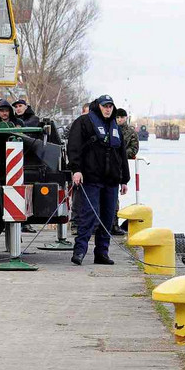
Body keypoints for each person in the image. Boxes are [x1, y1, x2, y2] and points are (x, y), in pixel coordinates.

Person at [65, 95, 126, 266]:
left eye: (110, 107)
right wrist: (76, 169)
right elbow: (74, 147)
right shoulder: (84, 122)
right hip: (91, 178)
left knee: (107, 218)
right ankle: (79, 251)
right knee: (89, 216)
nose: (108, 109)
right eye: (105, 106)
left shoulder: (116, 127)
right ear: (98, 106)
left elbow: (121, 154)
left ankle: (101, 253)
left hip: (111, 181)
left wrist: (124, 180)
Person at [110, 108, 141, 236]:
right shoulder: (111, 130)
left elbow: (134, 149)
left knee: (114, 196)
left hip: (121, 166)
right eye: (117, 118)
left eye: (121, 118)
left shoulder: (131, 132)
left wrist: (120, 153)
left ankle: (114, 224)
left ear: (125, 118)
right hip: (109, 166)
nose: (119, 120)